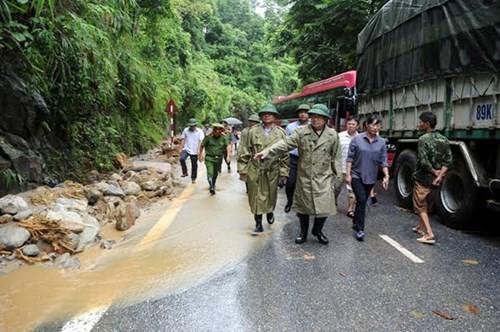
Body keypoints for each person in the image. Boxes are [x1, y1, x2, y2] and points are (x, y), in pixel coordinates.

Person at [255, 104, 343, 245]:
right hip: (305, 176)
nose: (315, 120)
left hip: (323, 177)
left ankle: (317, 230)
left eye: (319, 117)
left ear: (325, 119)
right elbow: (285, 144)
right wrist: (267, 151)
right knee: (303, 208)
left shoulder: (332, 135)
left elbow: (336, 157)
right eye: (313, 117)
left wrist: (339, 176)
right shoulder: (301, 132)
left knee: (325, 207)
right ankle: (303, 233)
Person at [237, 104, 289, 234]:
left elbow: (284, 154)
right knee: (255, 197)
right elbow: (244, 150)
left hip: (272, 170)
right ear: (261, 116)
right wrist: (243, 169)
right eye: (264, 114)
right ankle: (258, 223)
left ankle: (270, 212)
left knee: (271, 196)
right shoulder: (253, 132)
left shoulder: (280, 133)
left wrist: (283, 172)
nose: (267, 116)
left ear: (275, 116)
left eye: (270, 114)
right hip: (256, 170)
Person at [345, 114, 389, 241]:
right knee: (362, 199)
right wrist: (348, 174)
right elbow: (350, 158)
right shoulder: (357, 139)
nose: (376, 128)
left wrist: (386, 175)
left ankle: (355, 221)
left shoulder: (381, 142)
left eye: (378, 125)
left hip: (370, 177)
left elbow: (383, 161)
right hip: (356, 175)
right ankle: (360, 229)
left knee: (361, 201)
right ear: (367, 125)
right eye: (373, 124)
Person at [412, 111, 452, 244]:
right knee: (427, 204)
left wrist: (434, 172)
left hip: (424, 178)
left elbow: (423, 161)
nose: (419, 125)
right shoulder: (443, 139)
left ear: (427, 124)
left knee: (420, 206)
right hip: (436, 180)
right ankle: (420, 227)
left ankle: (429, 233)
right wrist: (440, 175)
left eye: (421, 122)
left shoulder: (423, 139)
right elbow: (448, 160)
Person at [283, 104, 310, 212]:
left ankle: (302, 207)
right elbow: (285, 143)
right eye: (301, 112)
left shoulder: (313, 126)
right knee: (290, 184)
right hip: (293, 158)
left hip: (307, 159)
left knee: (305, 185)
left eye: (305, 112)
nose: (303, 114)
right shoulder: (290, 127)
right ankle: (290, 201)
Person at [335, 116, 359, 219]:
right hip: (340, 168)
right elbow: (334, 151)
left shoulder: (360, 138)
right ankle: (333, 203)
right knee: (336, 188)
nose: (351, 126)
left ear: (357, 126)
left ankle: (350, 210)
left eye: (353, 124)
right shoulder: (339, 136)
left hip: (353, 169)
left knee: (351, 191)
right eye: (349, 124)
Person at [198, 123, 232, 195]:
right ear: (214, 130)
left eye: (219, 130)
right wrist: (200, 155)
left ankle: (213, 184)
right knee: (210, 172)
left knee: (215, 173)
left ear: (221, 131)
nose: (217, 131)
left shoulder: (224, 137)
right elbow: (202, 146)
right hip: (209, 158)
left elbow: (228, 146)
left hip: (219, 158)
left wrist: (228, 155)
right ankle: (211, 187)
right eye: (216, 130)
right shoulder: (208, 137)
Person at [237, 114, 261, 193]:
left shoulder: (260, 131)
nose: (252, 124)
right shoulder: (245, 131)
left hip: (257, 155)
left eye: (254, 122)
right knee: (246, 173)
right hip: (246, 154)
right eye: (251, 122)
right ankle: (249, 190)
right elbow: (242, 144)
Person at [179, 118, 204, 184]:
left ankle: (193, 178)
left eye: (193, 126)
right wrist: (181, 148)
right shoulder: (186, 130)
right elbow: (183, 139)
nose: (192, 127)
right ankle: (185, 172)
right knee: (182, 159)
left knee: (194, 164)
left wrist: (199, 151)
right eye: (191, 126)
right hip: (186, 148)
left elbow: (200, 141)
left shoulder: (200, 131)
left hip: (195, 150)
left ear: (195, 125)